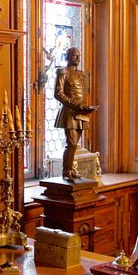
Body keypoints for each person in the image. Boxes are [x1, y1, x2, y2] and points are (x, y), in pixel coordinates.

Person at [53, 47, 96, 180]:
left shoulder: (82, 74)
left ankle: (70, 169)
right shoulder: (63, 72)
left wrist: (86, 107)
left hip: (81, 113)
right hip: (69, 112)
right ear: (68, 57)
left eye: (79, 55)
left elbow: (82, 94)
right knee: (71, 143)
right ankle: (66, 172)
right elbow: (58, 93)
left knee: (75, 144)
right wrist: (75, 105)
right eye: (74, 55)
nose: (78, 58)